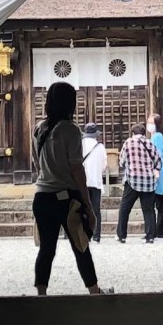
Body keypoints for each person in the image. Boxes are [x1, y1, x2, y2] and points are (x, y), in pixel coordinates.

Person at [30, 81, 109, 295]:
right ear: (70, 103)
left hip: (42, 195)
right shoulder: (71, 130)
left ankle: (41, 292)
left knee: (47, 249)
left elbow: (37, 163)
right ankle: (93, 290)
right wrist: (87, 204)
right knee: (81, 245)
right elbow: (76, 169)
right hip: (66, 197)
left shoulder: (39, 128)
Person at [117, 118, 163, 242]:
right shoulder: (150, 143)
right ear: (144, 133)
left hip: (132, 180)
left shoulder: (128, 143)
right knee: (148, 210)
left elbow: (121, 161)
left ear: (132, 133)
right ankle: (150, 236)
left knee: (125, 209)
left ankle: (121, 235)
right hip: (148, 181)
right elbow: (158, 161)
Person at [80, 126, 107, 243]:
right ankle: (96, 235)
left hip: (81, 182)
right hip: (96, 182)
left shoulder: (79, 145)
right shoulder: (100, 147)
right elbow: (104, 165)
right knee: (96, 210)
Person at [145, 114, 163, 239]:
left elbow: (157, 155)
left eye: (152, 122)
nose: (149, 125)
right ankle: (158, 230)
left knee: (158, 204)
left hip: (158, 173)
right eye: (148, 122)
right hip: (158, 172)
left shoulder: (157, 137)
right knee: (158, 203)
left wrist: (155, 169)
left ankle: (158, 231)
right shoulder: (154, 137)